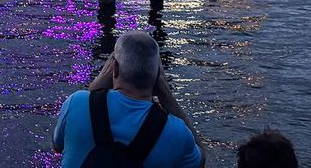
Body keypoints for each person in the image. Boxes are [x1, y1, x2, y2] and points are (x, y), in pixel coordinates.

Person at [52, 31, 205, 168]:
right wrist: (165, 93)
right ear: (157, 76)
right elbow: (200, 161)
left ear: (115, 68)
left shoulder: (76, 103)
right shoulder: (177, 132)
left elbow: (58, 145)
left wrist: (97, 84)